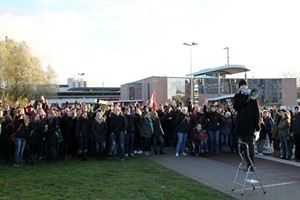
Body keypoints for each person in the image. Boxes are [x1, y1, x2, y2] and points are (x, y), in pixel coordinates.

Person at [233, 79, 260, 171]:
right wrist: (245, 98)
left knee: (250, 146)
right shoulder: (237, 96)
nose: (244, 87)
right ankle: (248, 163)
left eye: (245, 85)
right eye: (242, 86)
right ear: (239, 88)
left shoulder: (253, 98)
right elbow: (236, 106)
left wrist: (257, 125)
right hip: (241, 125)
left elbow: (256, 112)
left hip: (250, 126)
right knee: (244, 146)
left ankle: (251, 164)